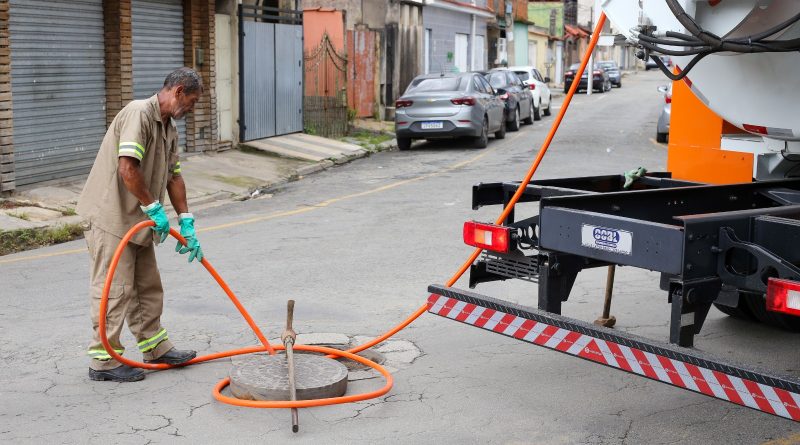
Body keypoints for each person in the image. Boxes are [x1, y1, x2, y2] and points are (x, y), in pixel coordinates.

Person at [77, 67, 205, 382]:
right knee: (115, 288)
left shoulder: (169, 128)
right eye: (190, 101)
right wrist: (153, 207)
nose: (191, 109)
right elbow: (127, 168)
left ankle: (155, 346)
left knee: (147, 286)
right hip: (112, 216)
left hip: (139, 220)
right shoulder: (139, 113)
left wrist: (185, 221)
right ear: (177, 92)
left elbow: (174, 176)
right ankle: (103, 360)